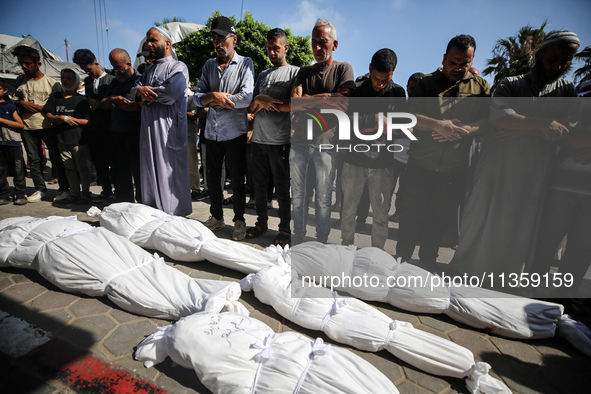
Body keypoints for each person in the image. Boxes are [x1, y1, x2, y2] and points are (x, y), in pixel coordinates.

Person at [450, 31, 580, 279]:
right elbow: (498, 117)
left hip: (534, 175)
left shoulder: (566, 90)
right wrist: (542, 125)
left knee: (518, 229)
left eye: (566, 61)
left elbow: (566, 130)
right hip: (496, 169)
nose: (559, 66)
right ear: (539, 54)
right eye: (554, 58)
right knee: (480, 221)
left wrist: (521, 127)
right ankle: (464, 273)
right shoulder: (511, 83)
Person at [395, 34, 490, 268]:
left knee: (437, 224)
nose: (458, 68)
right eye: (453, 62)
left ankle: (427, 266)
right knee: (409, 220)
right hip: (420, 165)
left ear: (472, 60)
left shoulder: (480, 88)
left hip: (453, 171)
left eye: (464, 63)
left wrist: (467, 129)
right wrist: (438, 125)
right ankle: (399, 264)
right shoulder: (426, 83)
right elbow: (409, 118)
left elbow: (488, 122)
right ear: (444, 57)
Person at [290, 19, 355, 244]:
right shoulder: (303, 71)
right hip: (299, 143)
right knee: (298, 196)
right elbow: (293, 104)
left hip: (326, 145)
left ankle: (321, 242)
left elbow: (343, 104)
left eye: (323, 43)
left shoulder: (343, 69)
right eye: (314, 42)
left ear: (334, 44)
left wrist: (306, 100)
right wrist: (326, 97)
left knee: (324, 198)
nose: (317, 48)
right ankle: (298, 237)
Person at [194, 16, 254, 240]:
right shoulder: (209, 65)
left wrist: (216, 101)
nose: (218, 44)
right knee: (212, 179)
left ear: (234, 39)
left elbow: (246, 97)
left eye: (222, 39)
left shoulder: (245, 63)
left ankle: (239, 220)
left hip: (235, 132)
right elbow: (196, 97)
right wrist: (211, 96)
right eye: (214, 39)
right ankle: (217, 217)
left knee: (237, 180)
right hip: (212, 133)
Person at [340, 48, 406, 249]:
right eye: (377, 79)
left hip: (384, 165)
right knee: (348, 210)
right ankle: (346, 248)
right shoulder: (356, 89)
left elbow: (401, 128)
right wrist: (377, 121)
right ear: (370, 69)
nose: (380, 84)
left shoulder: (398, 93)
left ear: (393, 73)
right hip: (353, 161)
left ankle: (378, 254)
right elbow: (344, 123)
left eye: (385, 80)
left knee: (381, 214)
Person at [245, 28, 299, 246]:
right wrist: (259, 99)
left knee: (282, 189)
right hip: (258, 139)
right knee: (258, 186)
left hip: (280, 142)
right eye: (268, 49)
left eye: (276, 48)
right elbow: (252, 106)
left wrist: (266, 102)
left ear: (286, 47)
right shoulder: (263, 75)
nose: (271, 53)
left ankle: (285, 229)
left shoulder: (295, 72)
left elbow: (294, 104)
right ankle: (261, 223)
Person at [131, 26, 191, 216]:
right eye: (148, 40)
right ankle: (154, 217)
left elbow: (171, 93)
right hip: (148, 130)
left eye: (153, 40)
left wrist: (145, 93)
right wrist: (139, 92)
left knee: (168, 177)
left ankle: (173, 220)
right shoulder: (149, 70)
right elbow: (134, 89)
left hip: (168, 131)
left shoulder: (178, 67)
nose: (149, 44)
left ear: (167, 43)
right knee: (149, 172)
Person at [12, 45, 68, 203]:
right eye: (22, 63)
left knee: (56, 158)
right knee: (34, 160)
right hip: (27, 126)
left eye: (28, 63)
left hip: (48, 126)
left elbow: (59, 105)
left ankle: (64, 189)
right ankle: (39, 189)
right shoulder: (20, 81)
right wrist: (22, 103)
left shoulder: (51, 83)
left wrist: (39, 107)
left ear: (38, 63)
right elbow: (14, 101)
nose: (24, 66)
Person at [42, 69, 91, 204]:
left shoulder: (81, 100)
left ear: (75, 81)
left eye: (69, 78)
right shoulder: (56, 97)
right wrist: (63, 118)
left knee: (81, 168)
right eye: (63, 78)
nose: (65, 81)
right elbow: (48, 116)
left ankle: (85, 193)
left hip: (78, 139)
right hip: (62, 139)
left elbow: (88, 121)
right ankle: (74, 193)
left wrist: (73, 120)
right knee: (69, 168)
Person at [72, 49, 115, 202]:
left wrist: (105, 103)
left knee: (113, 161)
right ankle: (106, 190)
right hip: (95, 128)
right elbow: (88, 97)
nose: (87, 72)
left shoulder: (111, 79)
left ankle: (117, 190)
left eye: (89, 69)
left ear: (96, 63)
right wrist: (89, 100)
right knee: (99, 161)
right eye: (84, 70)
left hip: (111, 128)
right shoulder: (88, 81)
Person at [101, 48, 142, 203]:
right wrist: (113, 99)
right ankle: (125, 204)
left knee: (139, 173)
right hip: (117, 132)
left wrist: (125, 105)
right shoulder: (114, 82)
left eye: (119, 67)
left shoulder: (140, 80)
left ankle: (142, 205)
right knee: (120, 173)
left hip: (135, 133)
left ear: (128, 64)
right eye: (113, 67)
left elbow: (141, 106)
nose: (116, 71)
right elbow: (103, 104)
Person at [0, 80, 27, 205]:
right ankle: (4, 194)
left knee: (18, 169)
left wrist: (3, 121)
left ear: (4, 90)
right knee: (1, 170)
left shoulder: (9, 106)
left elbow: (19, 124)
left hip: (12, 141)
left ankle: (20, 194)